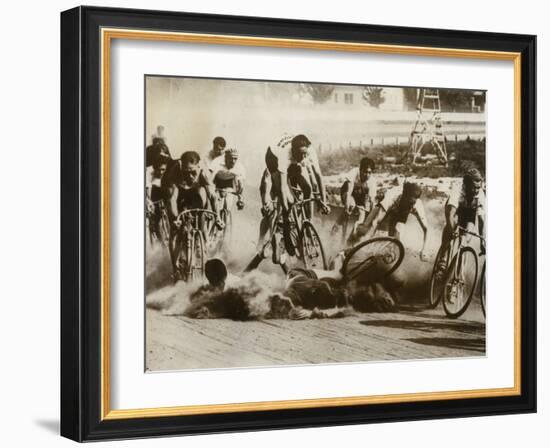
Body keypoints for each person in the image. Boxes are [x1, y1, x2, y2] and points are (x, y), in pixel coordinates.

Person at [352, 181, 429, 261]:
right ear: (404, 197)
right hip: (387, 204)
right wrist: (365, 241)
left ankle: (387, 253)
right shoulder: (392, 197)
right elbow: (376, 222)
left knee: (398, 235)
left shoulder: (417, 206)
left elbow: (426, 229)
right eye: (409, 203)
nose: (411, 205)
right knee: (366, 227)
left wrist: (424, 250)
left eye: (412, 203)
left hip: (400, 213)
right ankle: (353, 243)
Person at [439, 167, 486, 262]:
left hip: (469, 213)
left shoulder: (480, 194)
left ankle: (460, 271)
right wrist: (451, 229)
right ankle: (442, 258)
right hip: (455, 210)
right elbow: (451, 214)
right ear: (467, 185)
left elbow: (481, 220)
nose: (476, 190)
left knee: (465, 241)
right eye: (474, 187)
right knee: (451, 226)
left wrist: (482, 241)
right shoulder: (458, 189)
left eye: (478, 187)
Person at [331, 157, 377, 236]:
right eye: (365, 172)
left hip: (360, 194)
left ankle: (353, 236)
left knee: (362, 214)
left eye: (370, 172)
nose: (367, 175)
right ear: (360, 170)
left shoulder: (372, 181)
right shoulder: (354, 172)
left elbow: (371, 201)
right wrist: (346, 207)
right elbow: (349, 192)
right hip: (347, 191)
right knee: (350, 206)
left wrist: (371, 218)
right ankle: (337, 227)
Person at [145, 157, 169, 238]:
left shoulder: (168, 172)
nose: (161, 172)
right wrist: (149, 202)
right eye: (159, 170)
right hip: (152, 190)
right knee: (156, 215)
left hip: (162, 188)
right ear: (154, 168)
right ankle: (155, 227)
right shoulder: (148, 172)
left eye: (163, 169)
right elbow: (148, 190)